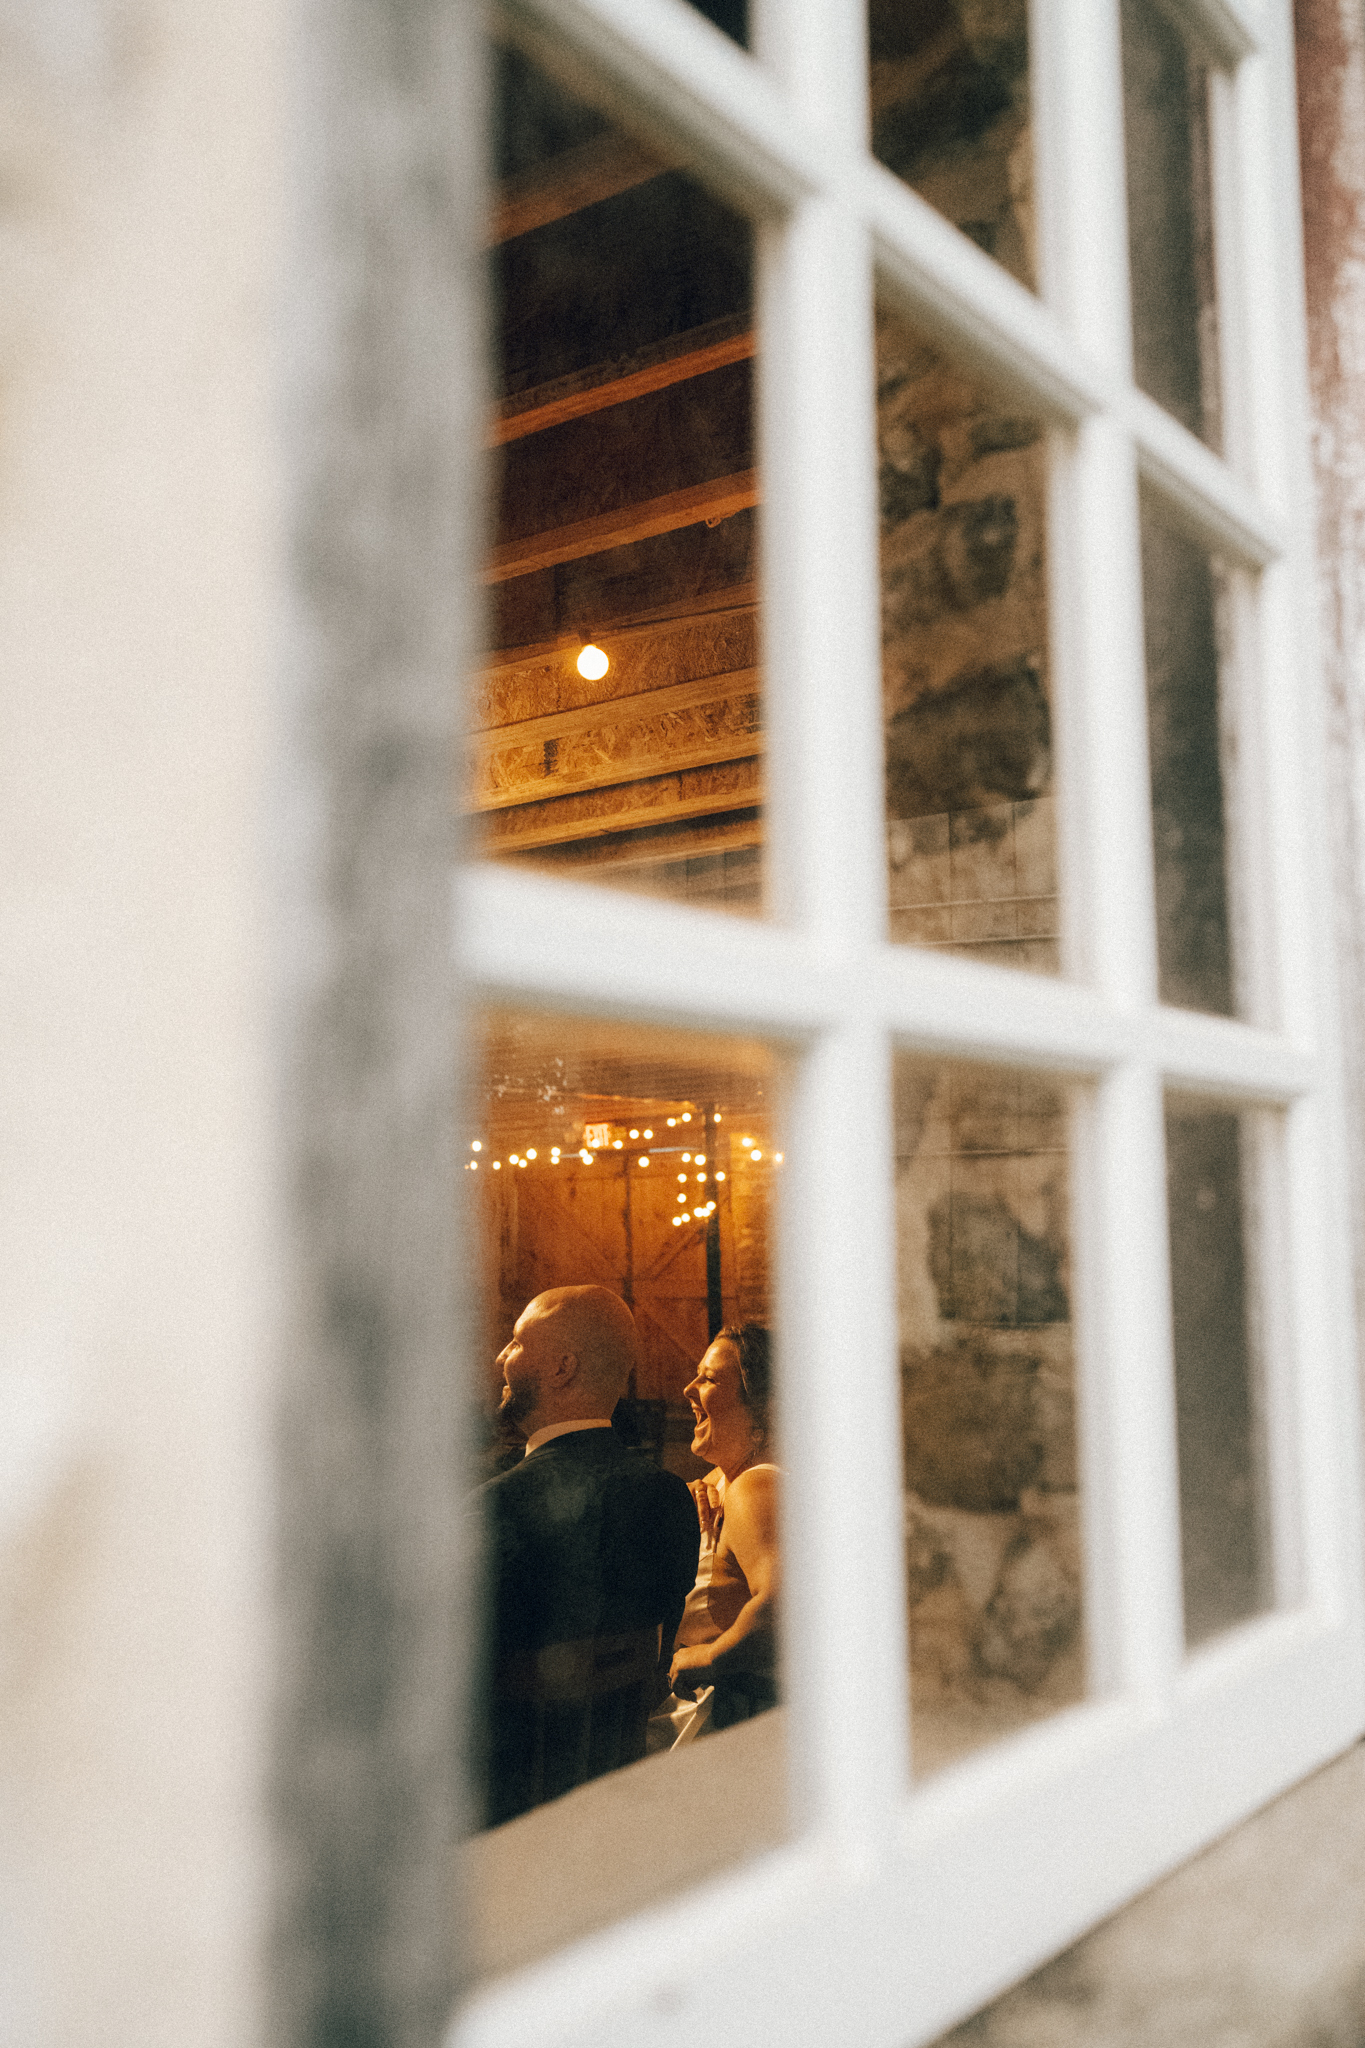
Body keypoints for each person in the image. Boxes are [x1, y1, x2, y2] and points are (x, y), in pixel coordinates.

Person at [477, 1285, 700, 1826]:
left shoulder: (493, 1509)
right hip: (619, 1795)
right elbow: (655, 1664)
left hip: (504, 1812)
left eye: (515, 1342)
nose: (501, 1358)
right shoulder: (671, 1501)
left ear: (561, 1368)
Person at [663, 1323, 779, 1736]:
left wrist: (708, 1657)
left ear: (763, 1408)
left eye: (709, 1378)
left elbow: (783, 1605)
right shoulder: (733, 1485)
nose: (688, 1389)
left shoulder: (756, 1486)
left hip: (725, 1719)